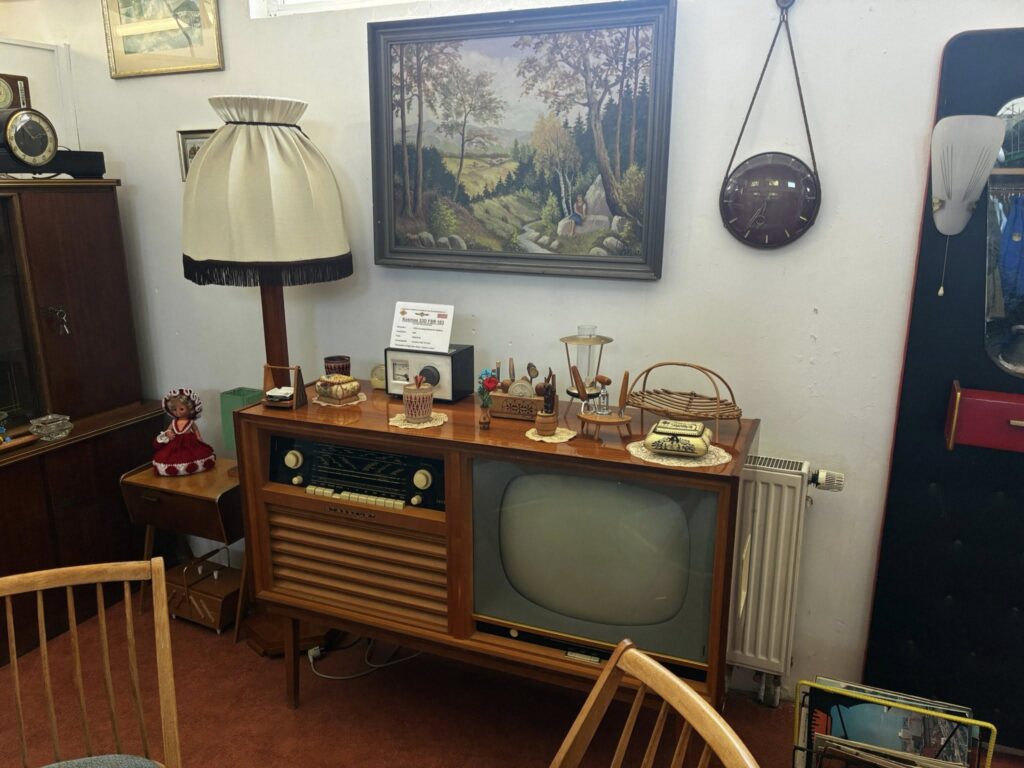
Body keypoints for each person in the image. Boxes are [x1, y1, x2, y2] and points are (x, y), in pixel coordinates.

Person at [152, 388, 216, 476]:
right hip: (175, 442)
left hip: (190, 442)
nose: (177, 412)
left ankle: (194, 465)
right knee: (169, 456)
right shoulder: (173, 422)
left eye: (181, 409)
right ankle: (173, 468)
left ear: (190, 409)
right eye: (174, 409)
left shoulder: (190, 422)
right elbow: (169, 430)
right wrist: (168, 433)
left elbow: (195, 430)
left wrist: (198, 437)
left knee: (197, 454)